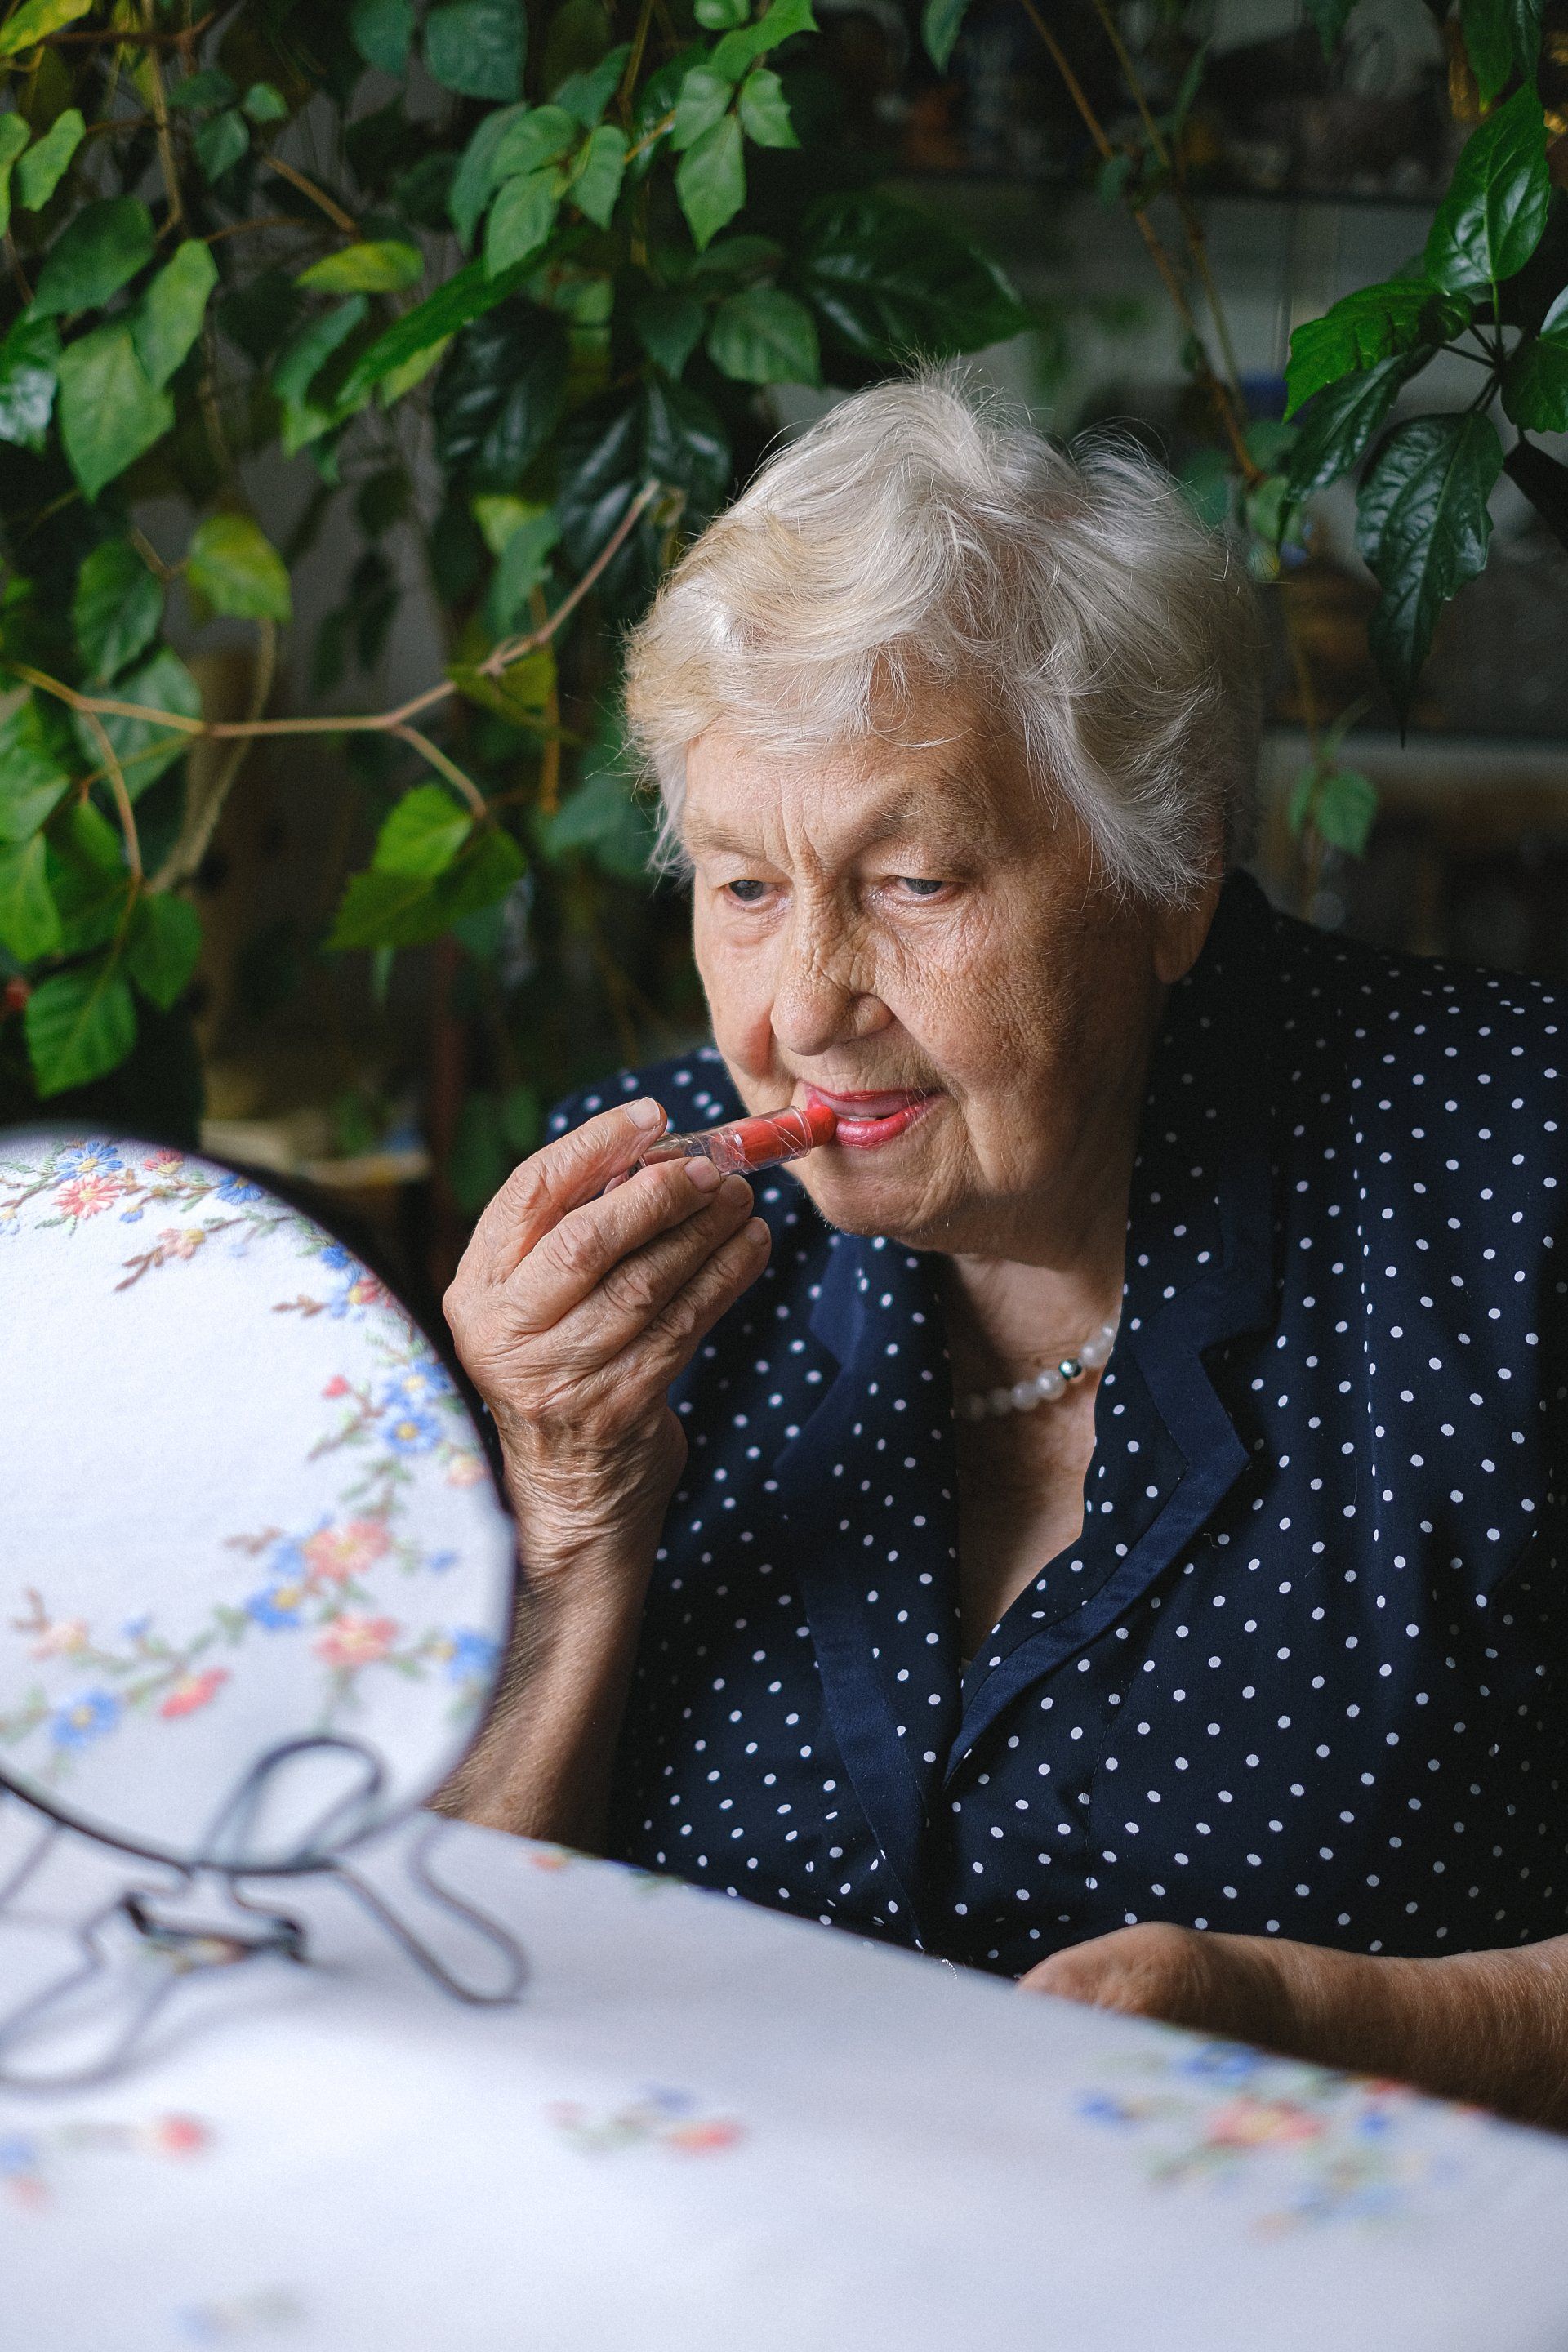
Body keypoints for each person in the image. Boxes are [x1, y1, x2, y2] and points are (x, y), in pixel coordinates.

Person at [443, 375, 1568, 2127]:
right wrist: (575, 1519)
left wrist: (1331, 2024)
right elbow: (434, 1980)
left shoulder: (1515, 1185)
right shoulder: (640, 1248)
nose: (801, 1007)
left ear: (1172, 866)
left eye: (914, 884)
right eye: (743, 887)